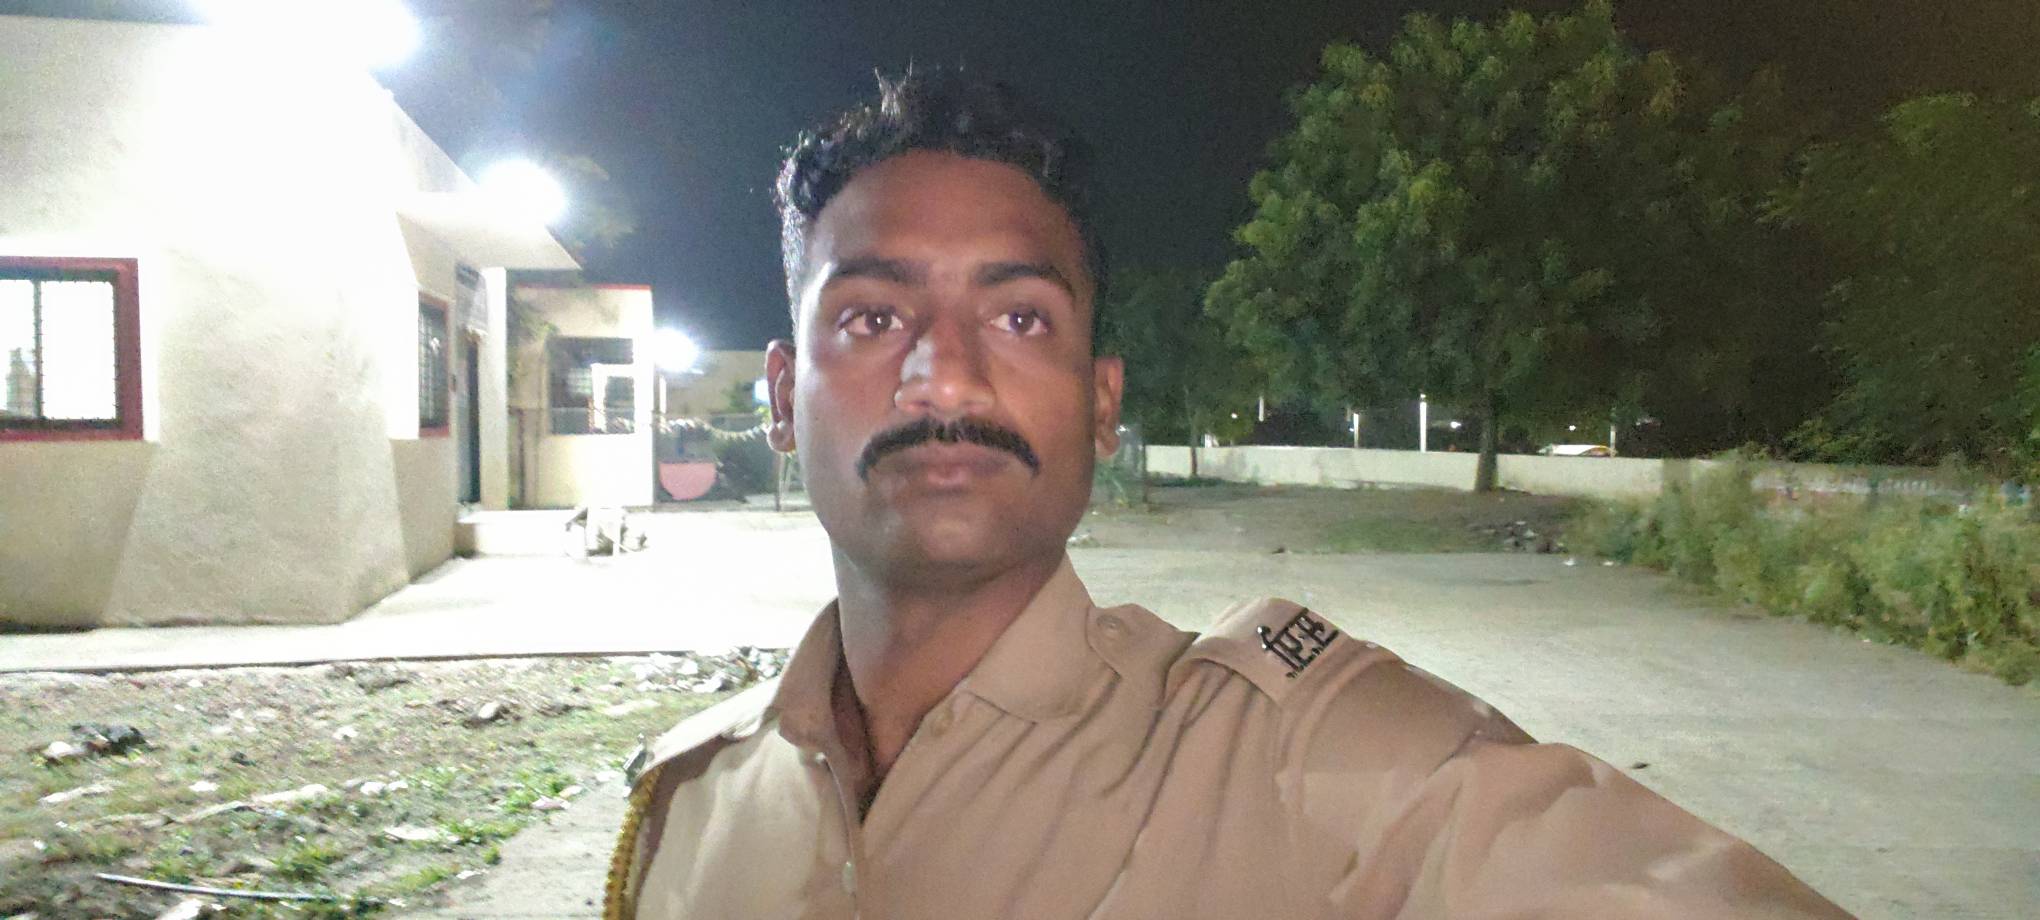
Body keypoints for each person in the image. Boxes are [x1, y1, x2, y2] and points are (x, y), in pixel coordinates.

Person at [604, 71, 1851, 919]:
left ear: (1101, 403)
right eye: (874, 316)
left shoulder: (1316, 763)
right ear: (783, 394)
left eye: (1019, 315)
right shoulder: (686, 806)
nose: (947, 373)